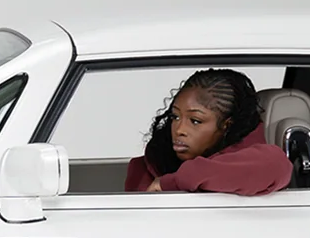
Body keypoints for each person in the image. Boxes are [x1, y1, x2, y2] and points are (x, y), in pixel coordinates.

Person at [123, 68, 293, 194]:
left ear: (226, 125)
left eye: (195, 121)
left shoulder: (259, 161)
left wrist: (171, 182)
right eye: (175, 117)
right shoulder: (149, 165)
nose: (179, 130)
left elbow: (275, 166)